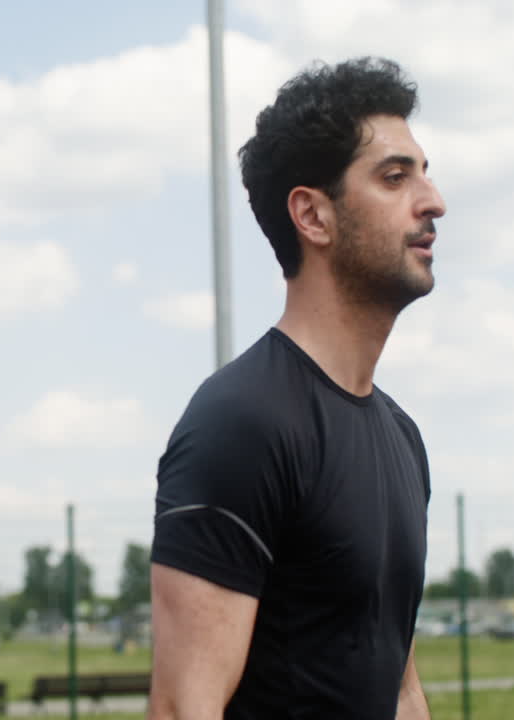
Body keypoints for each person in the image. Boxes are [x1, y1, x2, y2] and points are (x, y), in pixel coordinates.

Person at [148, 57, 445, 719]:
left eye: (424, 173)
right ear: (313, 215)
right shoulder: (241, 422)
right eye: (395, 177)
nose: (433, 201)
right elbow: (181, 707)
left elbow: (400, 690)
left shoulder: (401, 437)